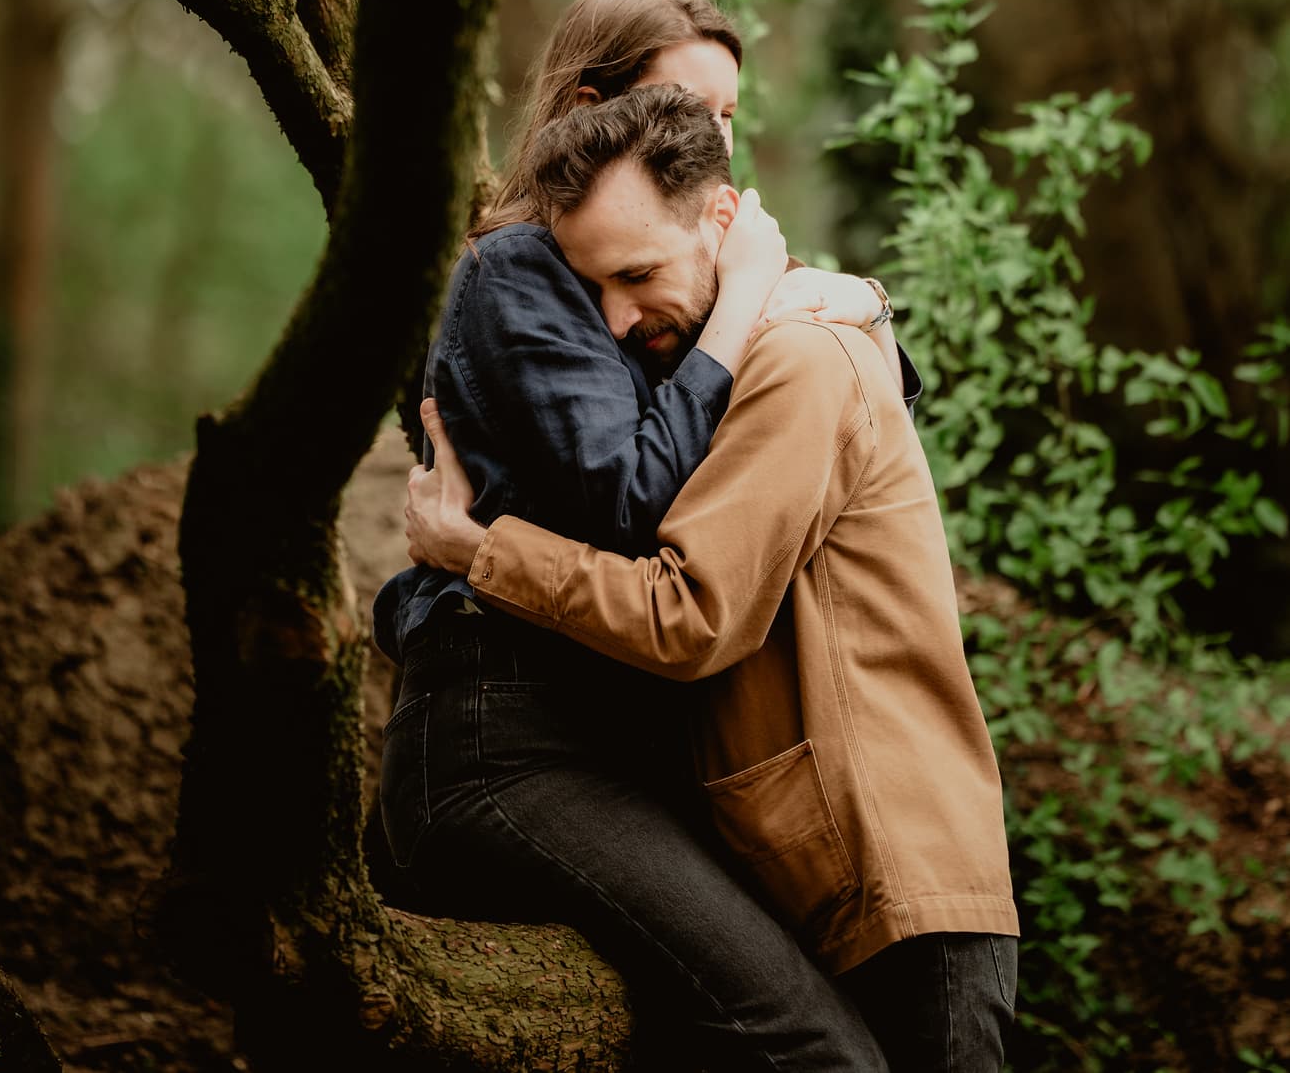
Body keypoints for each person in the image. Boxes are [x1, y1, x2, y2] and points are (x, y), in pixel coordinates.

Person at [403, 84, 1020, 1073]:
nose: (613, 319)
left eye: (638, 274)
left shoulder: (794, 362)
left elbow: (689, 616)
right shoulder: (754, 354)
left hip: (893, 879)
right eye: (591, 288)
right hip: (846, 872)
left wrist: (481, 549)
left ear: (725, 221)